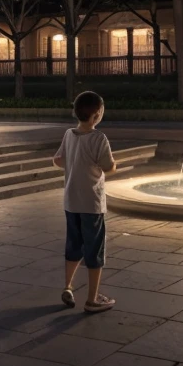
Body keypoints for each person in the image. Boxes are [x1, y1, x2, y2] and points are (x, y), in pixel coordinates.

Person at [53, 90, 117, 314]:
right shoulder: (99, 138)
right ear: (97, 114)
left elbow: (58, 160)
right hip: (92, 203)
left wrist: (75, 164)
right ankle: (92, 299)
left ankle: (68, 287)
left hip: (71, 202)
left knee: (73, 246)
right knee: (94, 250)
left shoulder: (69, 134)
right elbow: (108, 166)